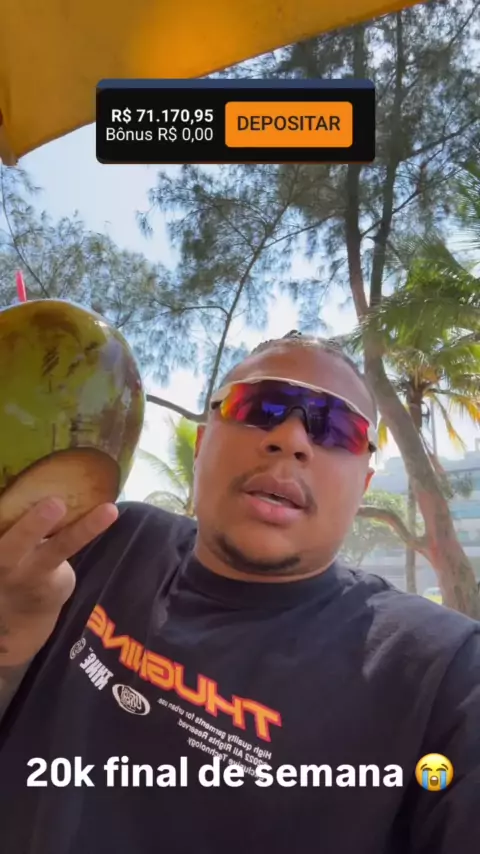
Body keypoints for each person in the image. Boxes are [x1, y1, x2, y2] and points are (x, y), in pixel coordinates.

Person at [0, 331, 479, 854]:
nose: (291, 439)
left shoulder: (444, 672)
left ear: (363, 485)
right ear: (202, 445)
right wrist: (10, 647)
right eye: (259, 405)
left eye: (338, 427)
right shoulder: (107, 539)